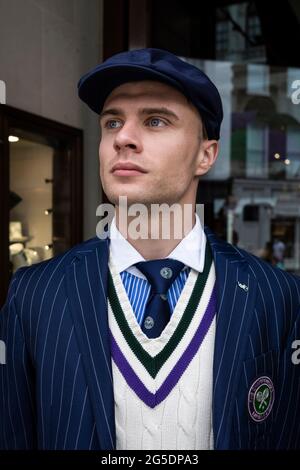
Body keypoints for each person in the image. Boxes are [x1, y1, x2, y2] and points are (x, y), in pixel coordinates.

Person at [1, 48, 300, 451]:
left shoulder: (276, 295)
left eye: (155, 120)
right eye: (112, 122)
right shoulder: (34, 293)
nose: (123, 137)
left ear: (205, 155)